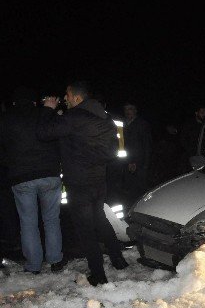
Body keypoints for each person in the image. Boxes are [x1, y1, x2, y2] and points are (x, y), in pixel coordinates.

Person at [38, 81, 129, 286]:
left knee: (85, 229)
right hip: (98, 179)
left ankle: (98, 274)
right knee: (100, 219)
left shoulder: (75, 117)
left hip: (79, 182)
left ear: (77, 98)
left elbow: (43, 133)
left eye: (68, 95)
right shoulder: (104, 117)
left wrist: (48, 110)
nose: (65, 98)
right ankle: (118, 260)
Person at [0, 86, 64, 274]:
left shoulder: (5, 120)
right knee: (52, 219)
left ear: (14, 103)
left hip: (21, 176)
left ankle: (34, 265)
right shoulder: (44, 114)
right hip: (49, 174)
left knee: (28, 222)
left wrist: (11, 162)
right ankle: (55, 260)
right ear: (34, 102)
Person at [122, 101, 152, 204]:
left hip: (139, 163)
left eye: (130, 109)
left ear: (135, 110)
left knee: (141, 190)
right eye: (126, 109)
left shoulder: (142, 124)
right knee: (129, 190)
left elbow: (146, 146)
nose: (127, 112)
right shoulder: (123, 124)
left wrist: (140, 163)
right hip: (126, 162)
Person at [179, 104, 205, 170]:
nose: (204, 115)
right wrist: (190, 151)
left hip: (204, 157)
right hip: (190, 157)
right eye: (202, 113)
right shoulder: (189, 124)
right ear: (196, 113)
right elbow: (182, 139)